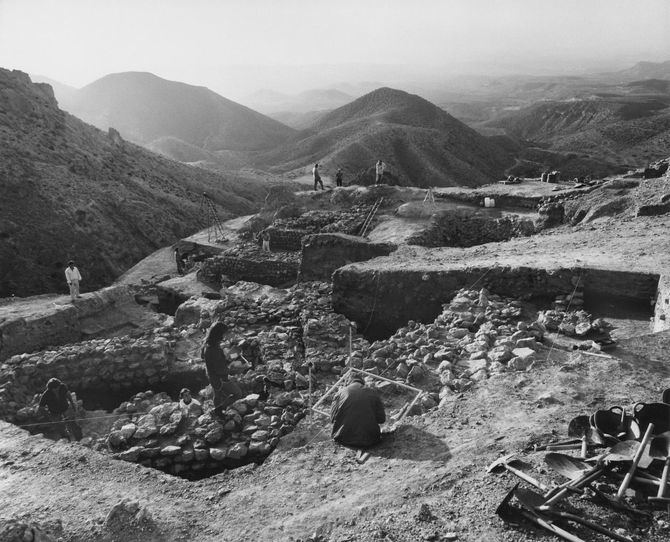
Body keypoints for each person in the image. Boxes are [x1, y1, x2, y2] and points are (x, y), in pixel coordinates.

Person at [330, 374, 386, 449]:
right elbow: (382, 419)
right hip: (371, 440)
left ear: (349, 382)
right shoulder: (373, 392)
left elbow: (332, 418)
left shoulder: (340, 393)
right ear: (362, 382)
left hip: (342, 438)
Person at [202, 322, 243, 417]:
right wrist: (237, 369)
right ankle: (220, 409)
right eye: (224, 333)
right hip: (220, 378)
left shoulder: (207, 344)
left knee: (217, 394)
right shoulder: (214, 349)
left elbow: (215, 362)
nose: (225, 335)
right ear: (219, 334)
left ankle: (218, 413)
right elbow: (221, 370)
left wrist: (227, 358)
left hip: (212, 376)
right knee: (238, 393)